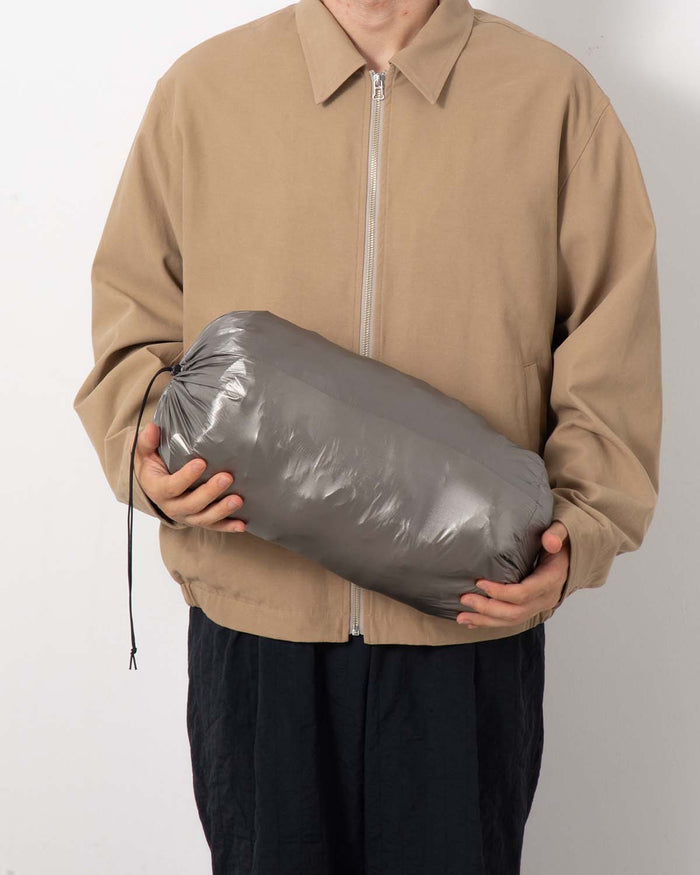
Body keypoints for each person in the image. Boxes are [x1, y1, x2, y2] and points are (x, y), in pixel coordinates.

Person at [72, 0, 662, 872]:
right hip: (258, 631)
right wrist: (146, 449)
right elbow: (132, 331)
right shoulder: (203, 92)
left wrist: (579, 534)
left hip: (466, 633)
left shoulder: (555, 101)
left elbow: (614, 352)